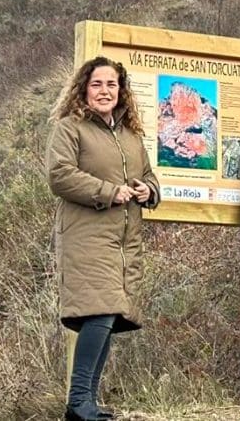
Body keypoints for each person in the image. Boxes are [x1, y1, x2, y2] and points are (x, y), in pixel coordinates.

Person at [47, 55, 162, 421]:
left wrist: (148, 190)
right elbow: (60, 175)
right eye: (97, 84)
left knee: (108, 318)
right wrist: (109, 192)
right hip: (86, 237)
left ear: (121, 90)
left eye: (112, 84)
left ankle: (86, 404)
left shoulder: (131, 136)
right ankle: (78, 401)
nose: (104, 91)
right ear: (83, 89)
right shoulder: (70, 128)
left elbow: (149, 175)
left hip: (125, 242)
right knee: (101, 312)